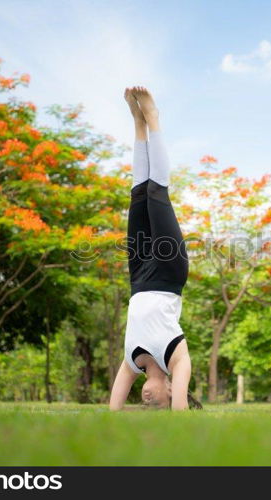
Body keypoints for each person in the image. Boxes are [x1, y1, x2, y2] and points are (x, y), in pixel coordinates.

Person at [109, 86, 200, 411]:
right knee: (157, 193)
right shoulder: (177, 358)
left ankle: (137, 122)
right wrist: (177, 409)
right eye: (158, 404)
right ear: (174, 392)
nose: (148, 402)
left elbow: (112, 413)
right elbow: (180, 418)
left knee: (138, 194)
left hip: (138, 279)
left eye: (147, 407)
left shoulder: (132, 362)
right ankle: (153, 117)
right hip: (168, 273)